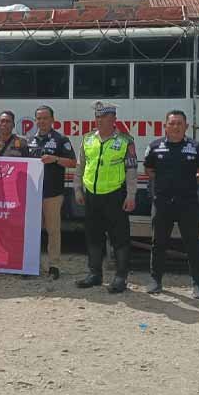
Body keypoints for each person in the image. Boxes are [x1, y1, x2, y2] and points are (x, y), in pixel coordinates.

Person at [143, 110, 199, 299]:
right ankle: (155, 280)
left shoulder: (196, 147)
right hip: (162, 202)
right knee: (158, 243)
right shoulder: (155, 147)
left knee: (193, 244)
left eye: (179, 123)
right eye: (172, 123)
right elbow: (149, 170)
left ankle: (198, 284)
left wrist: (187, 186)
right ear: (165, 126)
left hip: (188, 203)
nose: (175, 127)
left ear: (186, 126)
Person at [73, 101, 137, 293]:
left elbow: (131, 170)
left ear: (114, 119)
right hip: (92, 196)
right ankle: (95, 274)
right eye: (97, 117)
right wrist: (78, 189)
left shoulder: (126, 141)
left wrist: (131, 195)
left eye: (104, 117)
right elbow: (80, 166)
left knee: (120, 238)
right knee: (93, 236)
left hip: (115, 195)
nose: (99, 121)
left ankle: (120, 277)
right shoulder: (87, 139)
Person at [28, 105, 77, 280]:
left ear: (52, 120)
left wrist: (55, 159)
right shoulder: (29, 140)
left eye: (45, 118)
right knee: (32, 231)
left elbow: (73, 162)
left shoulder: (60, 139)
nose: (42, 121)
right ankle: (31, 265)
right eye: (39, 118)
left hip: (53, 193)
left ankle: (54, 265)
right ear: (35, 120)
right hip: (32, 193)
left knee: (53, 230)